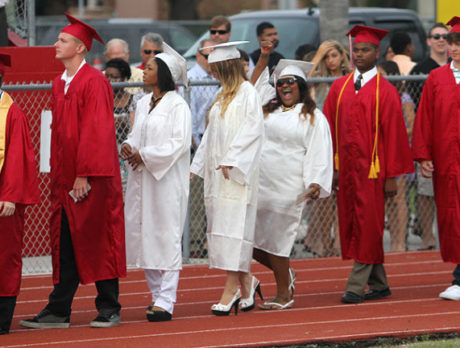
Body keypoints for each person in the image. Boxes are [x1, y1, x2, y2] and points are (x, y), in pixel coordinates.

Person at [20, 13, 126, 329]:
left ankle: (109, 307)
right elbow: (60, 133)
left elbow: (98, 130)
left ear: (80, 48)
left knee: (98, 240)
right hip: (65, 179)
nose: (56, 43)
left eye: (63, 40)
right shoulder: (59, 83)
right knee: (65, 243)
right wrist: (59, 175)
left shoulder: (94, 82)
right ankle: (58, 309)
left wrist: (84, 174)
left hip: (92, 179)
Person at [323, 25, 414, 304]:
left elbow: (395, 135)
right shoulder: (338, 88)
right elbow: (328, 131)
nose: (359, 55)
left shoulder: (385, 91)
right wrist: (333, 169)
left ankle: (355, 284)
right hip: (347, 170)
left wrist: (391, 176)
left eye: (365, 50)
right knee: (354, 222)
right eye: (356, 50)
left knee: (369, 223)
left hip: (374, 172)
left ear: (377, 53)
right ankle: (379, 283)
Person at [251, 54, 333, 310]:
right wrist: (263, 60)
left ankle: (283, 294)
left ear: (301, 85)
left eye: (291, 82)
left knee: (278, 239)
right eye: (281, 83)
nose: (285, 86)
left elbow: (319, 151)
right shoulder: (267, 109)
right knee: (247, 241)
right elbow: (250, 91)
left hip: (289, 185)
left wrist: (315, 181)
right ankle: (287, 275)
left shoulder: (313, 117)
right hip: (262, 182)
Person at [190, 41, 264, 315]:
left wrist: (232, 159)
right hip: (220, 175)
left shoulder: (248, 94)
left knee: (236, 231)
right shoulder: (223, 95)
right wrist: (197, 165)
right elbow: (210, 135)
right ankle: (248, 281)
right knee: (225, 231)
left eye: (216, 70)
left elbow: (252, 131)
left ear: (228, 67)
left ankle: (231, 289)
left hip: (238, 174)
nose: (213, 75)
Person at [121, 43, 191, 322]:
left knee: (167, 236)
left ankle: (168, 299)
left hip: (166, 182)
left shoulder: (178, 106)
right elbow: (136, 136)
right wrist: (128, 146)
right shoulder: (142, 103)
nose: (143, 70)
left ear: (163, 74)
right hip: (142, 181)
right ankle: (156, 295)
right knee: (143, 237)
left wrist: (145, 155)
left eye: (149, 68)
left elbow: (179, 144)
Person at [412, 16, 460, 301]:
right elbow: (425, 119)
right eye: (452, 43)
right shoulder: (436, 78)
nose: (453, 48)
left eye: (458, 43)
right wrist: (423, 155)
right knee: (453, 217)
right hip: (447, 161)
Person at [0, 53, 40, 335]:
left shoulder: (12, 112)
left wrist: (11, 195)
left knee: (4, 257)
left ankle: (1, 319)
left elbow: (18, 157)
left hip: (3, 198)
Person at [303, 40, 351, 258]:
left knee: (344, 195)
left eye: (334, 55)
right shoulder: (318, 82)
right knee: (325, 195)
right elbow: (301, 81)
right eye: (326, 57)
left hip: (346, 139)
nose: (331, 60)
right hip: (323, 141)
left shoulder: (350, 79)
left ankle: (341, 244)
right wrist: (318, 53)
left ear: (342, 56)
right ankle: (323, 244)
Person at [409, 23, 449, 250]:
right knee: (426, 192)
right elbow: (415, 107)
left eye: (446, 37)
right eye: (437, 36)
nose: (442, 40)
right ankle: (428, 237)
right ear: (428, 40)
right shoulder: (421, 70)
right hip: (433, 139)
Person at [378, 60, 415, 252]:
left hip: (399, 151)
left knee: (399, 197)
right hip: (382, 152)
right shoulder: (378, 95)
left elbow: (411, 125)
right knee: (388, 198)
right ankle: (393, 238)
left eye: (382, 73)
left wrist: (393, 133)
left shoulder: (404, 98)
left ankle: (400, 241)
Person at [105, 58, 133, 196]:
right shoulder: (102, 100)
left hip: (127, 156)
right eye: (107, 76)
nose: (110, 80)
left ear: (124, 78)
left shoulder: (133, 100)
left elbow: (137, 128)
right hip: (108, 156)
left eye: (114, 77)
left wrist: (125, 124)